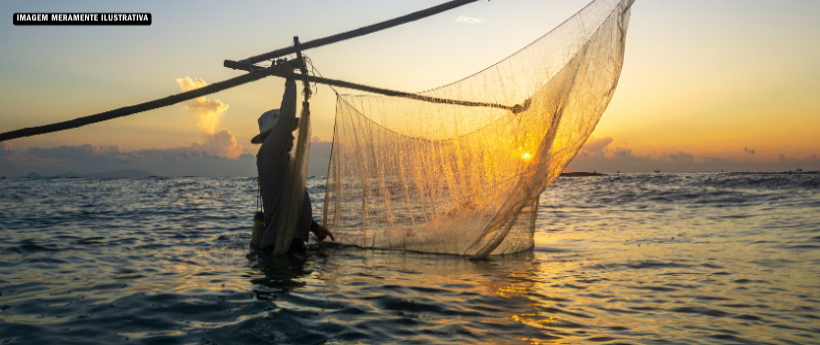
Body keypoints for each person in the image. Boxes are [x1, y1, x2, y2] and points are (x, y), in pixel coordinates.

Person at [251, 61, 334, 258]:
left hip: (292, 245)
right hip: (278, 248)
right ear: (275, 136)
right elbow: (287, 116)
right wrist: (290, 79)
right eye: (287, 132)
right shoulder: (269, 152)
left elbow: (289, 204)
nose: (292, 136)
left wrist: (313, 227)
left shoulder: (284, 162)